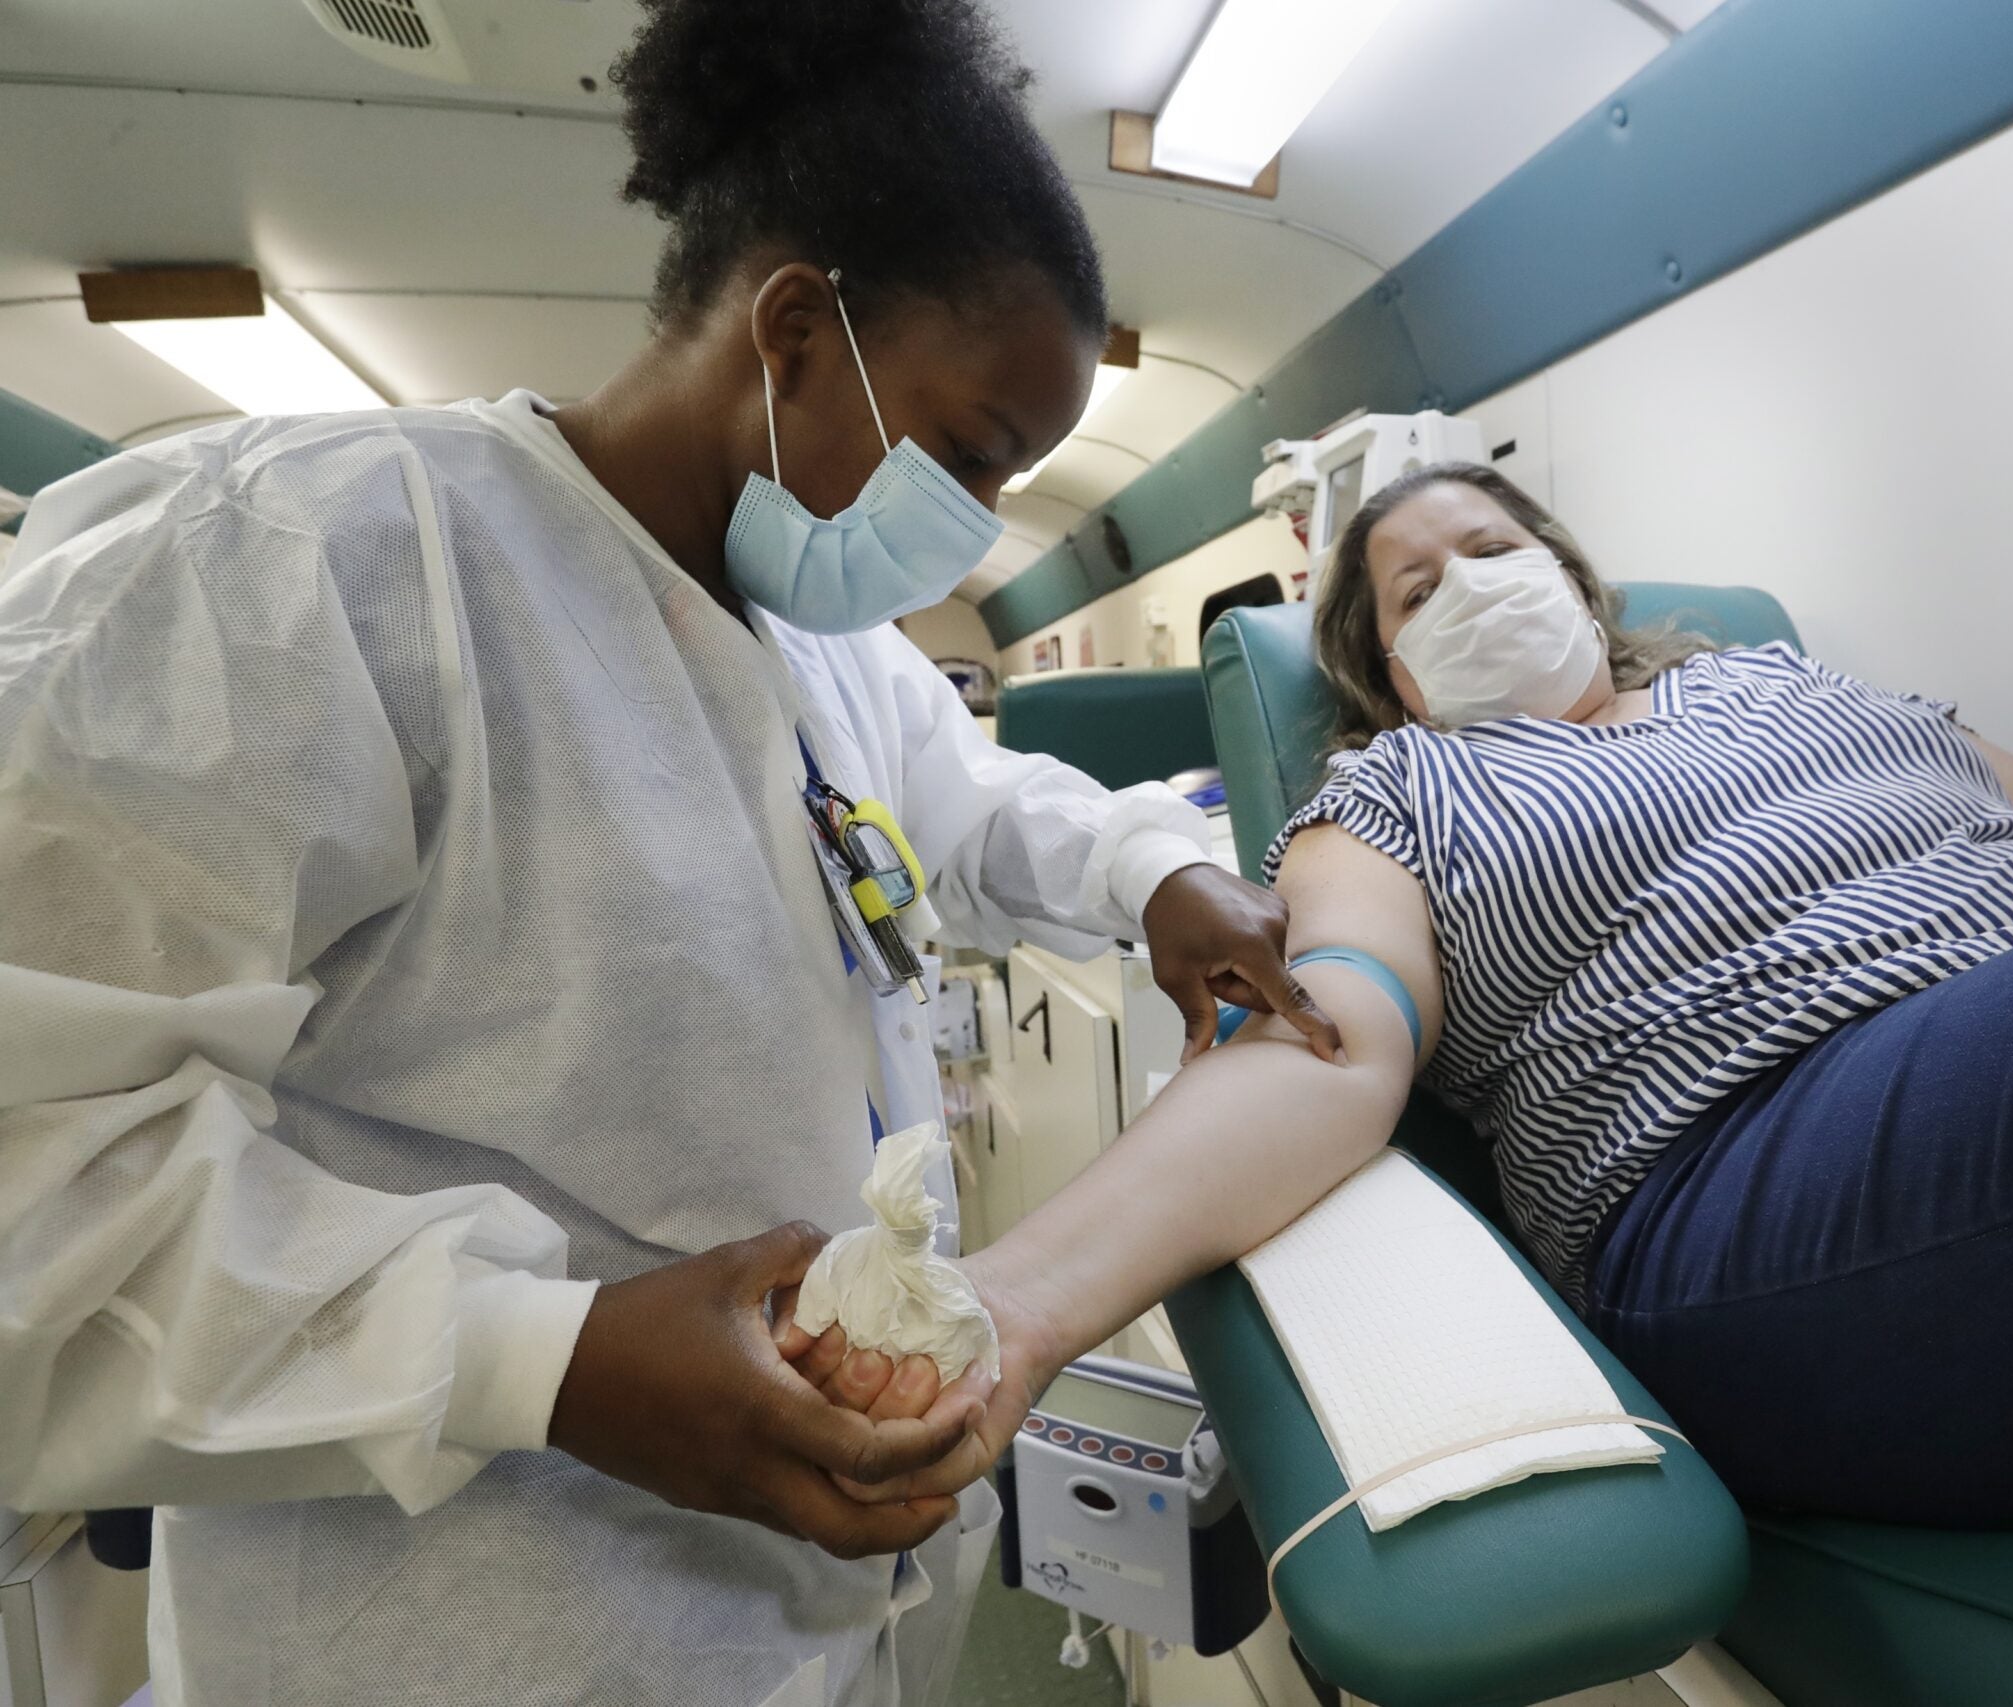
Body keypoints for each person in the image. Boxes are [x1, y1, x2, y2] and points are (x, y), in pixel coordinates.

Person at [0, 2, 1340, 1702]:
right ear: (794, 329)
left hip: (809, 1620)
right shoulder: (311, 567)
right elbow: (36, 1186)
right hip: (479, 1641)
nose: (978, 525)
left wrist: (1160, 868)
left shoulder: (822, 644)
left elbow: (979, 799)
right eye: (973, 454)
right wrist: (541, 1362)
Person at [873, 462, 2013, 1535]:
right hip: (1788, 1171)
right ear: (1381, 672)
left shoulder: (1773, 676)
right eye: (1416, 586)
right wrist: (1012, 1307)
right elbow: (1333, 1048)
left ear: (1575, 576)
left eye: (1496, 545)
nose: (1473, 582)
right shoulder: (1393, 797)